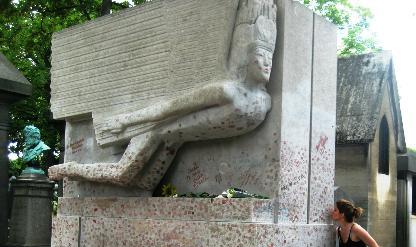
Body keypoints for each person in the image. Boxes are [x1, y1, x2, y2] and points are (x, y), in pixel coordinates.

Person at [48, 0, 277, 190]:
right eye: (261, 58)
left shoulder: (264, 103)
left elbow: (182, 131)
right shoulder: (228, 91)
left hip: (171, 140)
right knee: (123, 174)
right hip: (152, 130)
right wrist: (125, 120)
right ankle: (68, 169)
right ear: (246, 59)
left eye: (270, 58)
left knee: (145, 183)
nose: (267, 65)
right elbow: (170, 108)